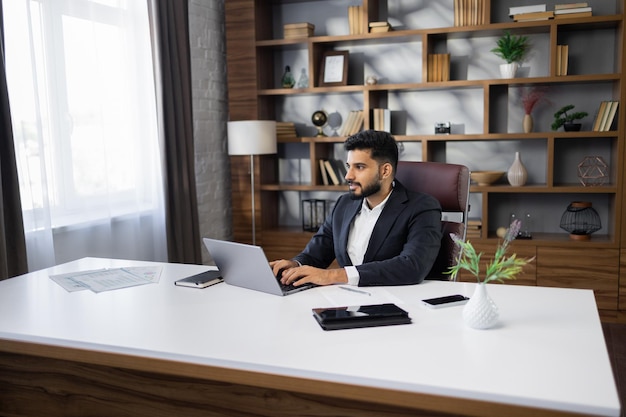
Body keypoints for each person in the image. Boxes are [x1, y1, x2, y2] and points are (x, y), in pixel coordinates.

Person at [270, 130, 442, 287]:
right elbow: (315, 254)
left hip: (396, 306)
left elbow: (412, 266)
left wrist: (333, 276)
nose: (348, 176)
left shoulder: (422, 207)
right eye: (348, 166)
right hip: (348, 303)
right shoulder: (343, 204)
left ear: (385, 171)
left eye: (359, 167)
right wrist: (295, 265)